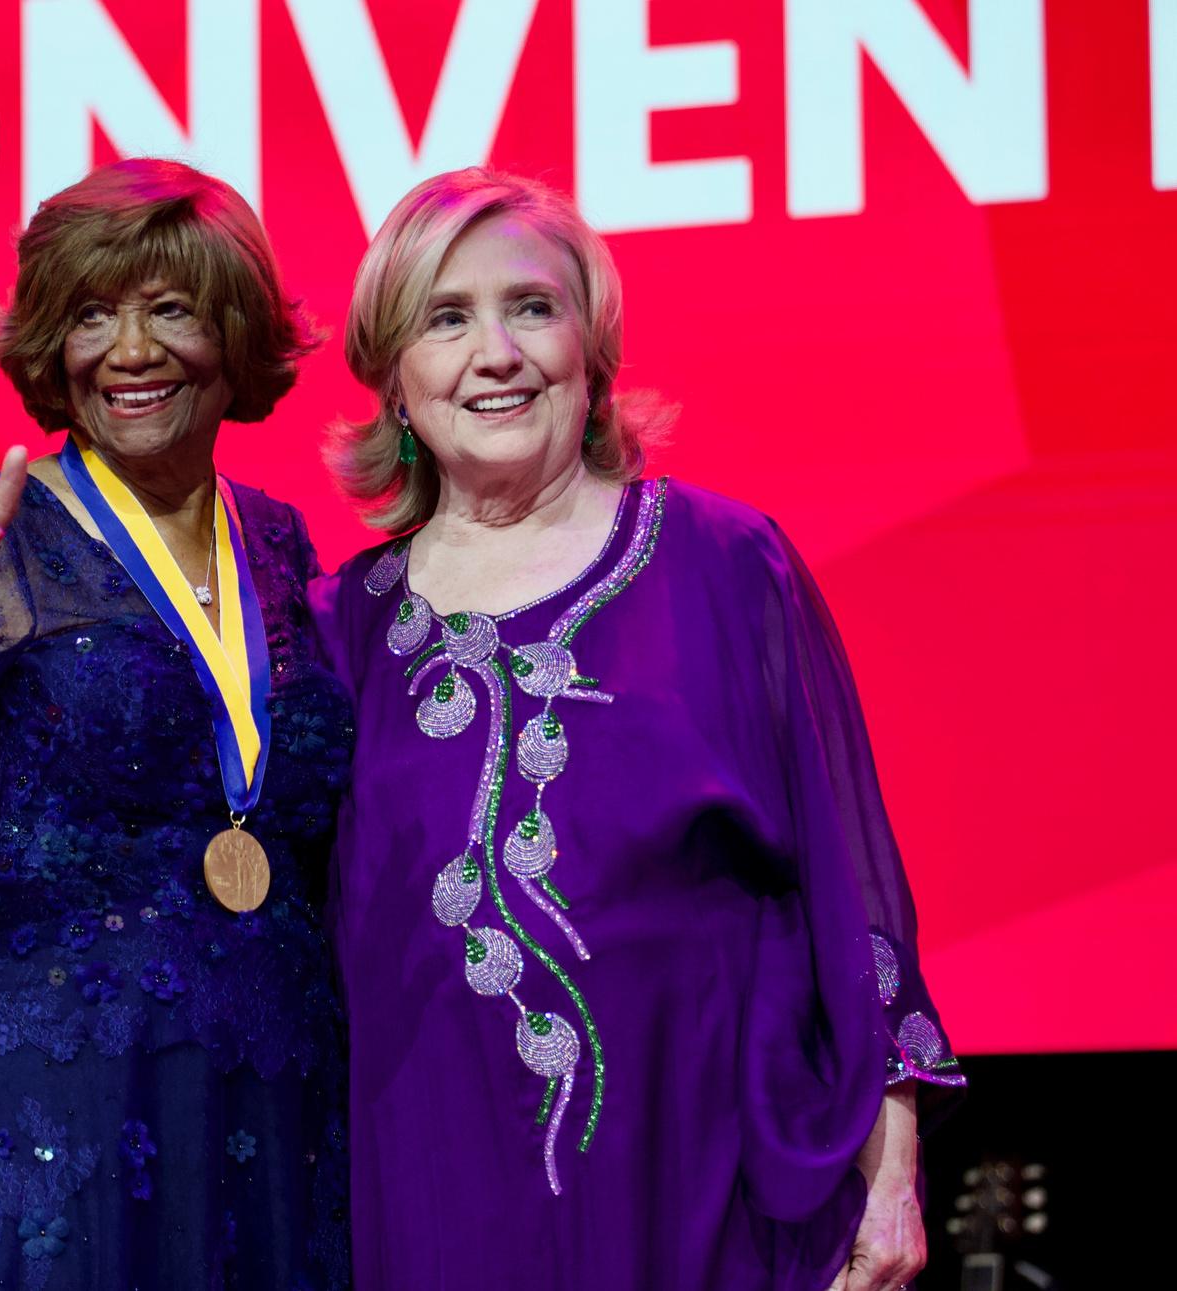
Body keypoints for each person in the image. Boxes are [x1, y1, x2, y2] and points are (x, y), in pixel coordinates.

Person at [313, 167, 961, 1291]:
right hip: (434, 1204)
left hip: (713, 1195)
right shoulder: (340, 630)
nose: (496, 353)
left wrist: (894, 1161)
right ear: (395, 382)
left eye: (531, 307)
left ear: (591, 346)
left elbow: (850, 896)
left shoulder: (726, 565)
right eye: (446, 319)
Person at [0, 158, 353, 1291]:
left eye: (169, 309)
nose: (128, 350)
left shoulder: (280, 542)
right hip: (36, 1111)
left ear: (235, 331)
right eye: (91, 315)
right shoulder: (0, 543)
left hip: (255, 1099)